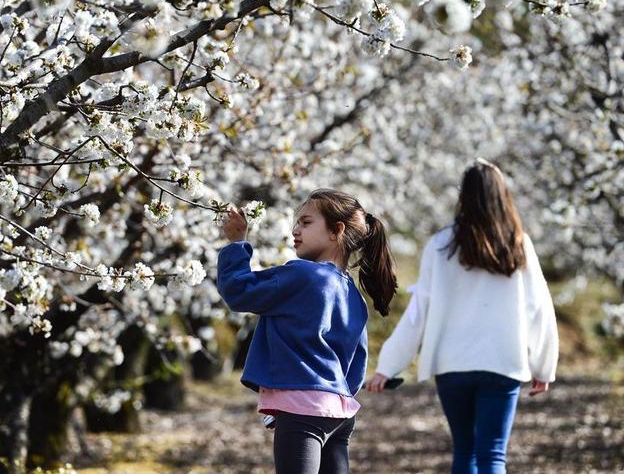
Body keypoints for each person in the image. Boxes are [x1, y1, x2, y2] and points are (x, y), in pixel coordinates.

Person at [364, 158, 559, 474]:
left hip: (452, 364)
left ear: (463, 196)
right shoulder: (518, 244)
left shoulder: (442, 244)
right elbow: (539, 307)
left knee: (465, 452)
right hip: (503, 362)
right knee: (492, 454)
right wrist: (543, 366)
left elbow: (418, 313)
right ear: (501, 195)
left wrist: (388, 365)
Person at [217, 189, 397, 474]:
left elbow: (239, 291)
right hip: (339, 412)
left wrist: (237, 243)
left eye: (306, 222)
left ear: (336, 231)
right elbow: (356, 365)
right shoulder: (354, 296)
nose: (295, 230)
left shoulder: (301, 275)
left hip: (303, 410)